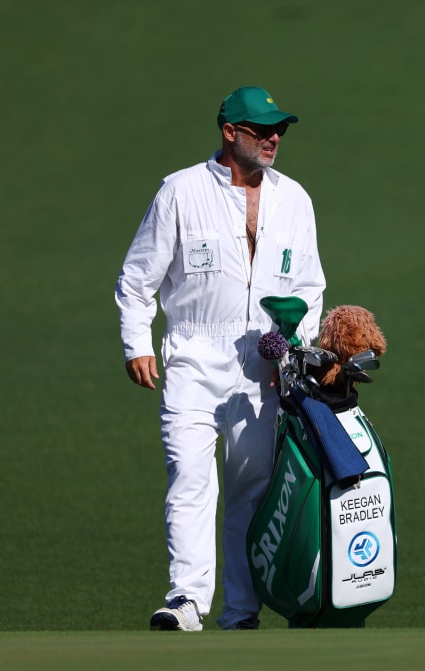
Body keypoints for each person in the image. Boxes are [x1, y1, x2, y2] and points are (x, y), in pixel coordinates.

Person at [115, 86, 326, 631]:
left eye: (280, 129)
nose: (274, 138)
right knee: (189, 478)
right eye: (262, 130)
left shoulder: (294, 199)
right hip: (193, 356)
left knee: (251, 493)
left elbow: (309, 287)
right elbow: (137, 279)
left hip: (264, 368)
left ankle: (241, 611)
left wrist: (293, 352)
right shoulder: (181, 191)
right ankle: (186, 599)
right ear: (230, 132)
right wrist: (137, 343)